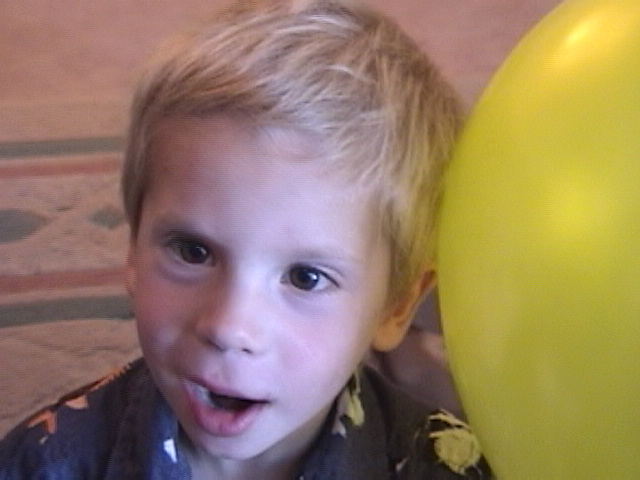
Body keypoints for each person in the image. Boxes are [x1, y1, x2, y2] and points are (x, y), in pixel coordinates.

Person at [0, 0, 491, 478]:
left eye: (306, 277)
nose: (229, 328)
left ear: (396, 307)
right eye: (193, 251)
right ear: (134, 247)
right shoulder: (43, 463)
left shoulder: (447, 465)